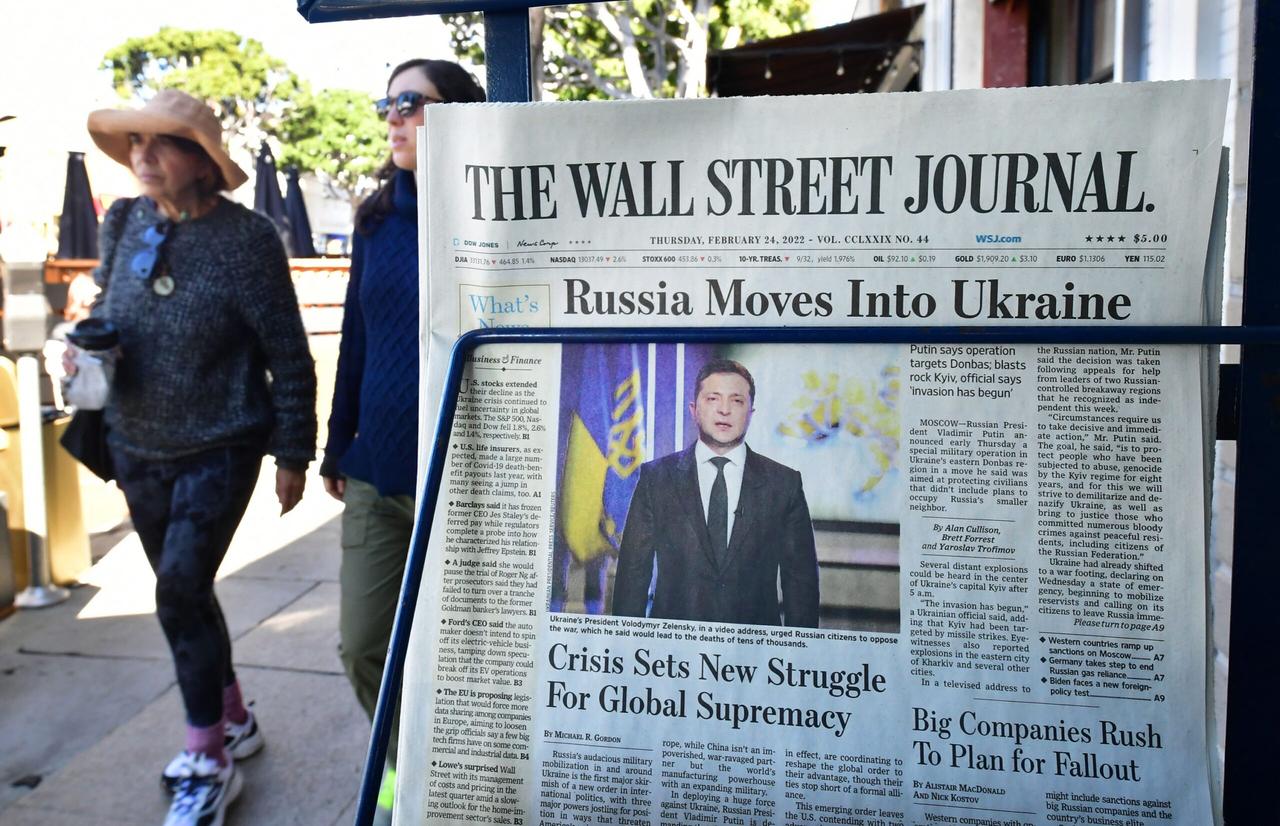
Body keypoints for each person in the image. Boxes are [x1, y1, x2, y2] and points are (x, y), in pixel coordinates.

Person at [79, 89, 317, 825]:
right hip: (134, 440)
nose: (143, 155)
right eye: (135, 142)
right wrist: (88, 343)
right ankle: (234, 717)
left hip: (221, 443)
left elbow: (288, 352)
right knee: (186, 593)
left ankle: (207, 760)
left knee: (179, 589)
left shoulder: (246, 239)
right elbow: (107, 308)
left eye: (163, 142)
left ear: (202, 160)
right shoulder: (123, 219)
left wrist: (293, 451)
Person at [320, 59, 485, 813]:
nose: (394, 117)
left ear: (457, 113)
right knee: (363, 645)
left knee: (456, 655)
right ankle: (399, 769)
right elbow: (355, 337)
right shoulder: (375, 220)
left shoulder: (488, 214)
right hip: (377, 470)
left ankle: (450, 781)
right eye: (387, 103)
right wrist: (336, 444)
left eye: (412, 102)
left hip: (462, 474)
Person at [613, 359, 820, 626]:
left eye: (737, 401)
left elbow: (801, 584)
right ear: (694, 410)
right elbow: (632, 575)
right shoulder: (656, 479)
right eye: (713, 399)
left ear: (751, 413)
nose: (724, 410)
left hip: (755, 646)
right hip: (673, 644)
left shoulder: (784, 484)